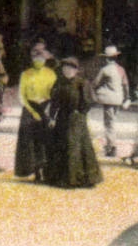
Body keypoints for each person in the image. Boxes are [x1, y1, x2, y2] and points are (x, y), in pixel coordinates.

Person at [45, 57, 103, 188]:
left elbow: (89, 101)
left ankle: (80, 179)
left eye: (70, 68)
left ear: (76, 70)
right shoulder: (59, 82)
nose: (67, 71)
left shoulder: (82, 83)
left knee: (76, 146)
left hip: (77, 118)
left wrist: (80, 112)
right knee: (62, 145)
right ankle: (62, 178)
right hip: (62, 118)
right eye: (65, 68)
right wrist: (52, 117)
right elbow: (54, 102)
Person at [13, 44, 56, 181]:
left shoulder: (51, 74)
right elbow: (21, 95)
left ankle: (47, 171)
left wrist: (48, 110)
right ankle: (34, 170)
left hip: (45, 107)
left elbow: (54, 93)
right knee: (29, 139)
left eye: (41, 58)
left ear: (45, 60)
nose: (39, 61)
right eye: (36, 58)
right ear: (32, 60)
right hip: (29, 107)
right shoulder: (25, 74)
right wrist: (32, 111)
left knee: (45, 139)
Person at [93, 44, 130, 157]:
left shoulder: (105, 70)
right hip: (119, 99)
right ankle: (111, 145)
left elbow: (95, 83)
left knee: (109, 124)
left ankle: (111, 147)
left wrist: (99, 91)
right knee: (112, 121)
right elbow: (126, 85)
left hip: (108, 99)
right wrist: (127, 97)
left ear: (106, 58)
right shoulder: (121, 69)